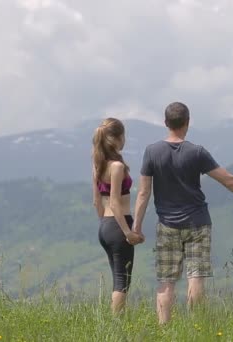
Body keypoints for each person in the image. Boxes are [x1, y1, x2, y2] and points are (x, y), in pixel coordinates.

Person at [132, 102, 233, 324]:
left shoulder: (152, 152)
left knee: (166, 281)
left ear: (166, 123)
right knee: (196, 277)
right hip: (198, 224)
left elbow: (143, 193)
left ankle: (164, 332)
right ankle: (195, 329)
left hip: (167, 225)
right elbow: (229, 181)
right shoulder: (197, 152)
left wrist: (136, 227)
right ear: (187, 122)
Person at [92, 118, 145, 314]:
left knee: (117, 276)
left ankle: (114, 323)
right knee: (122, 280)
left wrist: (104, 225)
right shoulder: (117, 167)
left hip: (105, 226)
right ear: (117, 138)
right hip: (118, 224)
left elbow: (97, 201)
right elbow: (115, 202)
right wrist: (127, 232)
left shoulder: (98, 166)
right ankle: (115, 325)